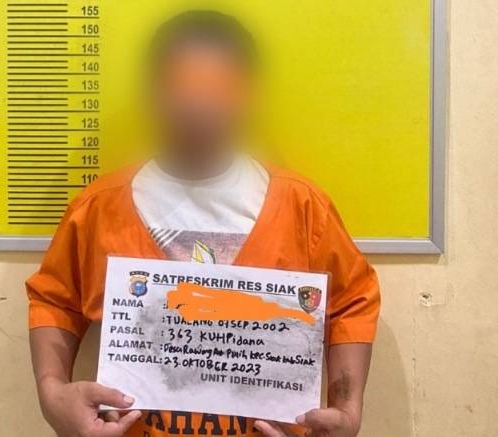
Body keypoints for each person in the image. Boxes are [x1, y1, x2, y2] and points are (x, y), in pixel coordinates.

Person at [26, 10, 380, 437]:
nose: (199, 108)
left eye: (216, 91)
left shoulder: (301, 207)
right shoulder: (100, 208)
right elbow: (55, 299)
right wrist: (51, 393)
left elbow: (352, 300)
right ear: (154, 93)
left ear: (247, 94)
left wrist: (348, 408)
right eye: (184, 91)